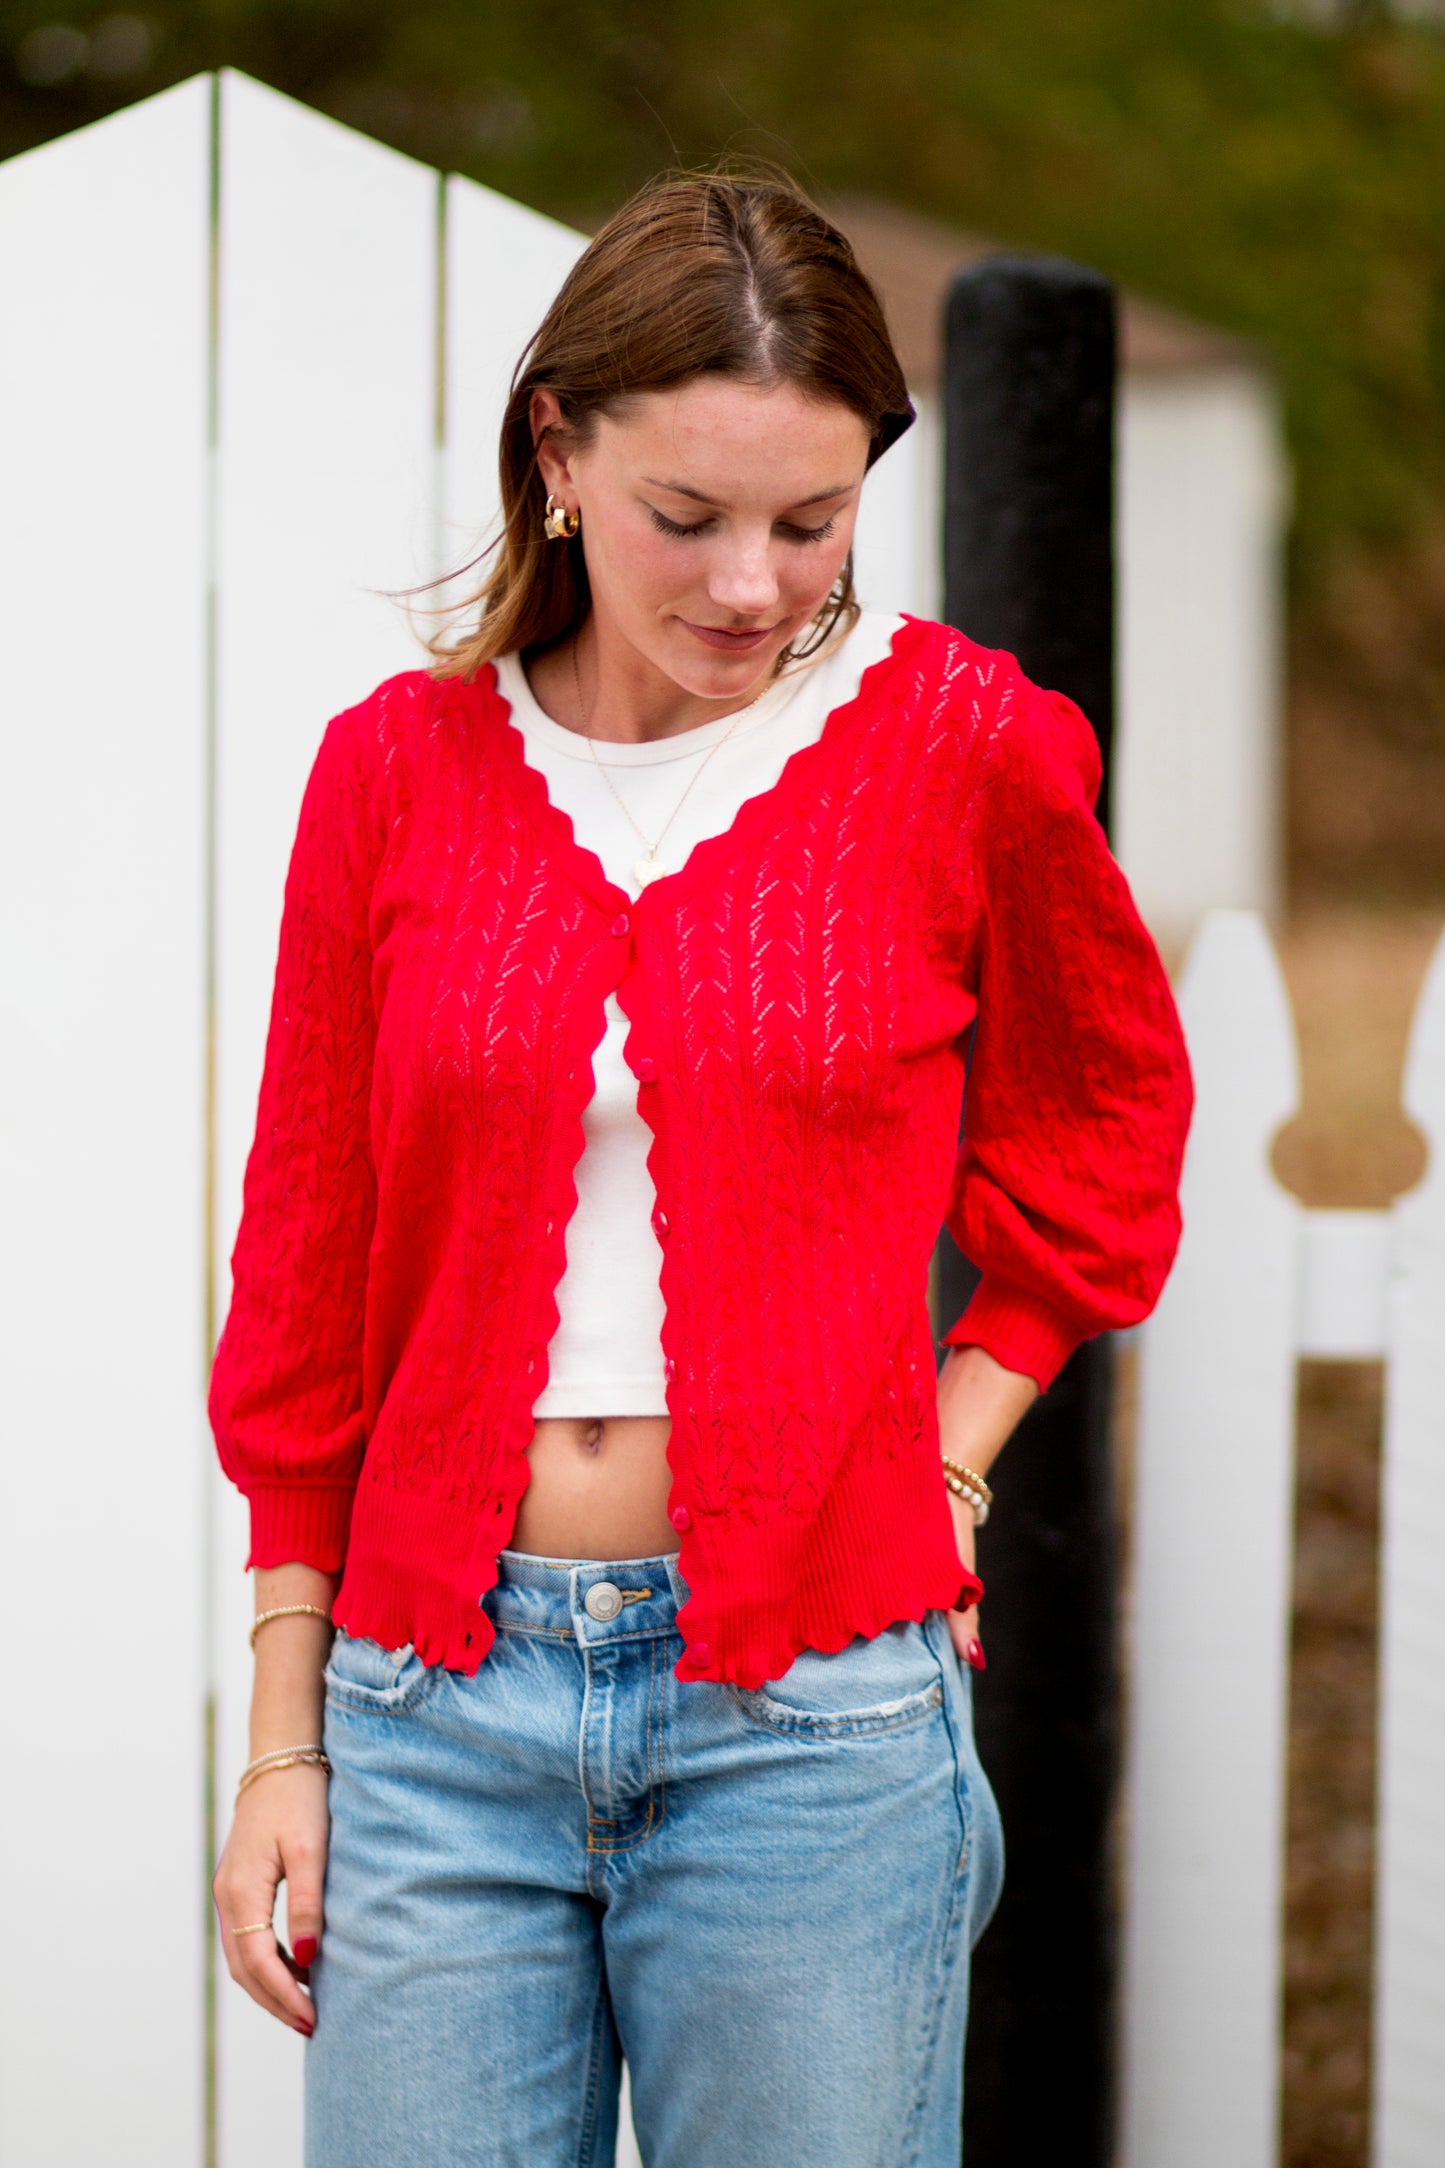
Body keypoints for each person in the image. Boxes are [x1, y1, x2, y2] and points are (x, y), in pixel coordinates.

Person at [208, 167, 1192, 2168]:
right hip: (426, 1709)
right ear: (559, 453)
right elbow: (305, 1280)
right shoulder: (394, 772)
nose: (755, 582)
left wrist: (953, 1444)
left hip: (813, 1721)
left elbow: (1106, 1125)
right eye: (691, 518)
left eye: (811, 522)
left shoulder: (963, 747)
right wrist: (285, 1733)